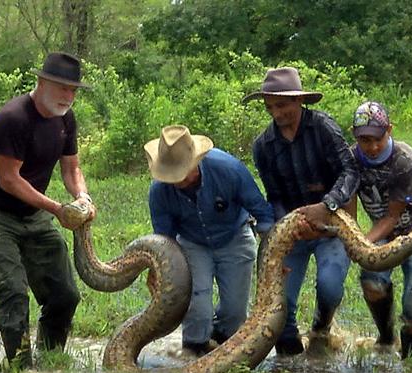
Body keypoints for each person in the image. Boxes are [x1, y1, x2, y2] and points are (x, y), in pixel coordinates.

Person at [0, 52, 95, 369]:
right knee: (13, 295)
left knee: (65, 295)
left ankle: (50, 361)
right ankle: (22, 371)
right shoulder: (13, 118)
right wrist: (57, 208)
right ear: (41, 83)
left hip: (33, 214)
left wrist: (82, 197)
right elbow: (9, 180)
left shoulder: (66, 120)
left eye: (73, 90)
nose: (68, 96)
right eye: (62, 88)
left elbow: (71, 169)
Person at [243, 67, 360, 355]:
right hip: (292, 230)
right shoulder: (263, 146)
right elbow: (275, 195)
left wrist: (327, 204)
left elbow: (350, 171)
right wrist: (291, 222)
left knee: (330, 286)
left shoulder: (323, 128)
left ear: (298, 101)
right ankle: (290, 363)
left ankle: (321, 329)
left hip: (332, 223)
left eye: (281, 105)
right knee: (280, 307)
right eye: (269, 107)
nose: (275, 113)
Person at [144, 125, 274, 357]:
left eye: (182, 171)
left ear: (197, 162)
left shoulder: (228, 168)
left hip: (235, 235)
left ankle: (221, 341)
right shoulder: (159, 192)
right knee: (197, 306)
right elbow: (164, 241)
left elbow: (261, 211)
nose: (177, 180)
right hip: (192, 243)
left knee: (235, 313)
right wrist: (157, 272)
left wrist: (274, 253)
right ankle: (194, 351)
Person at [344, 101, 412, 359]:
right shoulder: (351, 160)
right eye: (365, 140)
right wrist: (351, 235)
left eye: (378, 138)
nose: (372, 146)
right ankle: (386, 339)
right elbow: (349, 208)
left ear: (389, 130)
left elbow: (392, 216)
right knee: (372, 282)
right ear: (355, 135)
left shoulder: (405, 160)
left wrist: (360, 242)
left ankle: (411, 360)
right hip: (386, 235)